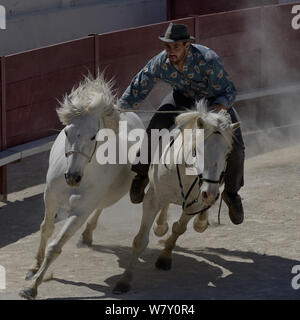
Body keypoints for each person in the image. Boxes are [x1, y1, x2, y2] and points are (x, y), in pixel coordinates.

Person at [120, 23, 245, 225]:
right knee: (155, 127)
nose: (170, 51)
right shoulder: (161, 61)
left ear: (187, 46)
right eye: (167, 46)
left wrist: (213, 114)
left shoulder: (208, 59)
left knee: (237, 148)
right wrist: (122, 107)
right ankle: (141, 175)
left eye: (175, 46)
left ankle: (231, 193)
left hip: (213, 105)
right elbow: (141, 82)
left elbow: (228, 92)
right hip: (182, 99)